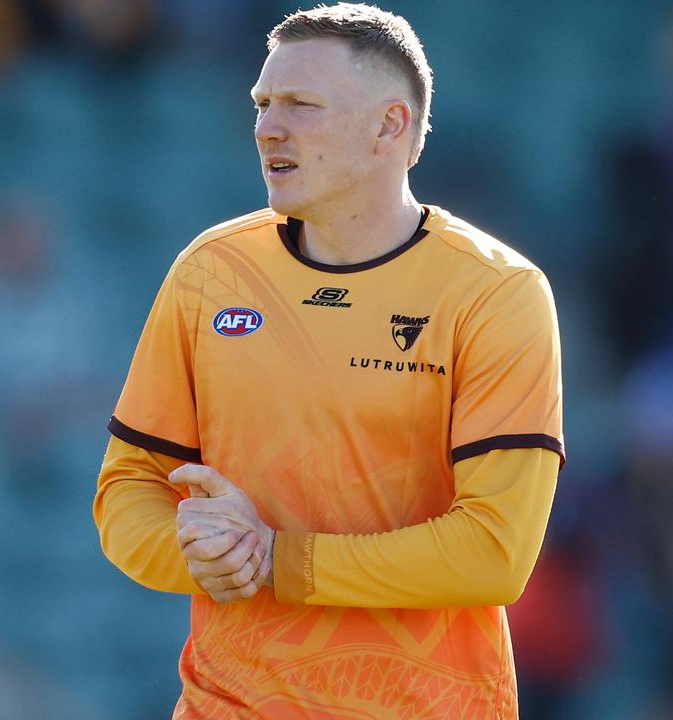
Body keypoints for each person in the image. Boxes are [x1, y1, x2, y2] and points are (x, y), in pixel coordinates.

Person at [93, 4, 565, 717]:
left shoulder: (498, 293)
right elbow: (126, 490)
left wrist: (278, 560)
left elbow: (495, 552)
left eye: (300, 106)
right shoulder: (209, 273)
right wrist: (195, 551)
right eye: (262, 104)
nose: (266, 128)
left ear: (390, 126)